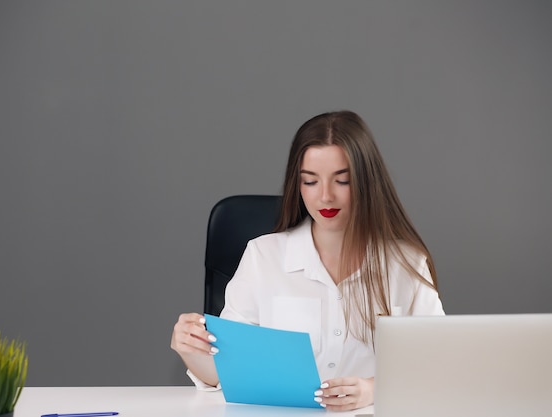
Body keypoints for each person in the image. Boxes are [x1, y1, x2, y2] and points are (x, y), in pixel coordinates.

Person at [171, 110, 444, 411]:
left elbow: (439, 366)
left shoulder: (406, 264)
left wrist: (373, 389)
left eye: (342, 181)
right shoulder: (263, 256)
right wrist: (191, 349)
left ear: (367, 183)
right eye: (310, 182)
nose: (325, 197)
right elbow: (227, 374)